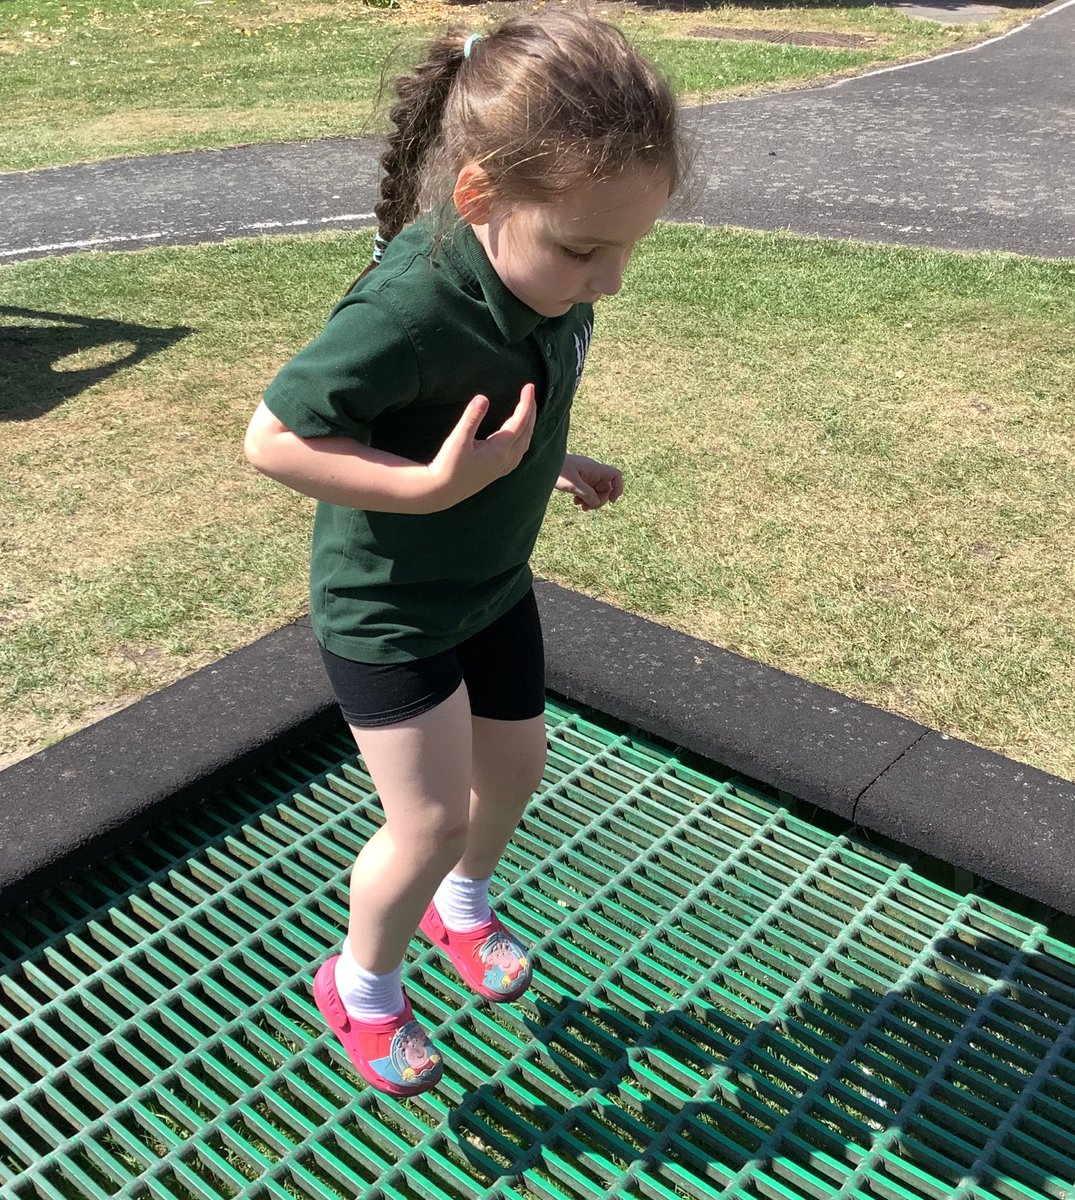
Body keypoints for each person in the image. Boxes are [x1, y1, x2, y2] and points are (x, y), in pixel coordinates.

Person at [244, 8, 680, 1097]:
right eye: (587, 249)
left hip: (490, 586)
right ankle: (362, 986)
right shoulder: (410, 303)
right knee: (430, 817)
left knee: (517, 770)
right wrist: (430, 487)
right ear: (483, 198)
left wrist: (553, 459)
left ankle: (462, 909)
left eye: (631, 245)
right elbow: (274, 438)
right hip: (389, 607)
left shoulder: (549, 282)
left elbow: (501, 397)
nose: (612, 279)